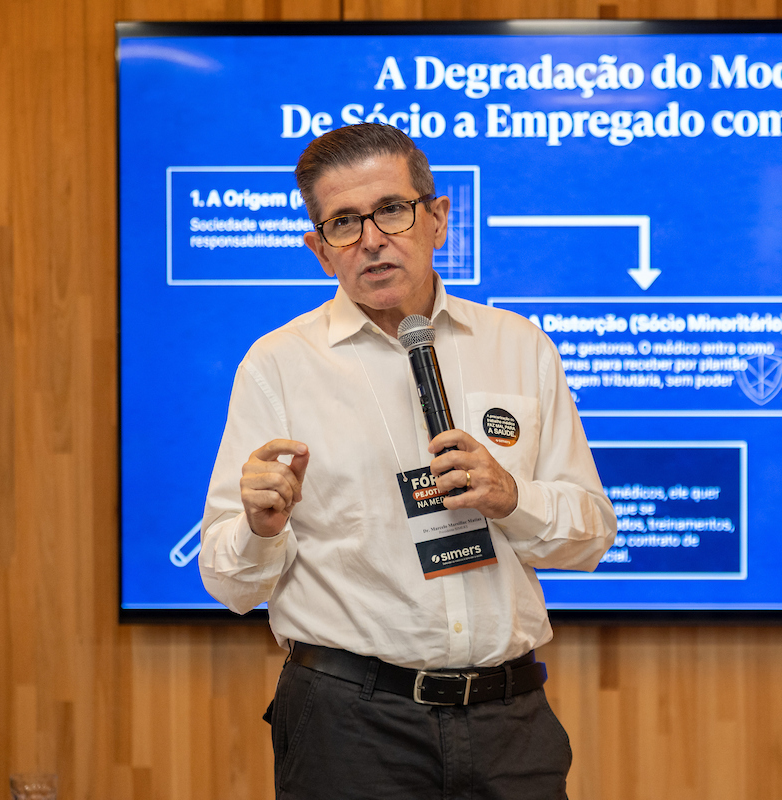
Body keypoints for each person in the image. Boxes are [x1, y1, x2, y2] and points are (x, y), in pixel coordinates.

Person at [199, 123, 616, 799]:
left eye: (391, 209)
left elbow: (591, 535)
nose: (371, 239)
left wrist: (513, 498)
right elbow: (230, 583)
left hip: (509, 720)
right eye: (343, 223)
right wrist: (259, 528)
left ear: (438, 219)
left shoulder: (520, 347)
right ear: (320, 250)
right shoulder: (278, 366)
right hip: (349, 725)